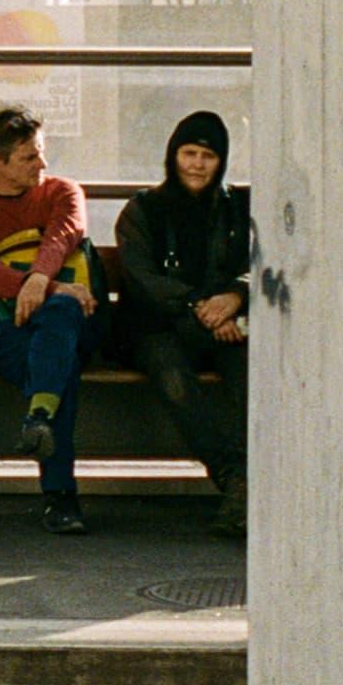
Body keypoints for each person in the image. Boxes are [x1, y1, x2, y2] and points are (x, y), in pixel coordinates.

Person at [0, 105, 97, 536]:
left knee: (61, 323)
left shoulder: (62, 192)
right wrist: (48, 287)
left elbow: (64, 233)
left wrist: (39, 282)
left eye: (42, 153)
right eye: (29, 158)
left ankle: (42, 432)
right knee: (58, 365)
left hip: (59, 321)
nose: (41, 165)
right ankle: (58, 485)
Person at [113, 109, 253, 536]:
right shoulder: (144, 209)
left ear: (222, 160)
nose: (196, 164)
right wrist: (200, 307)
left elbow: (265, 263)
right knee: (173, 375)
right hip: (158, 328)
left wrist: (237, 296)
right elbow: (142, 278)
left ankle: (247, 485)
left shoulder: (241, 208)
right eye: (188, 153)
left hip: (224, 325)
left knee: (252, 374)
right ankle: (235, 479)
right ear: (172, 156)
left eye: (207, 155)